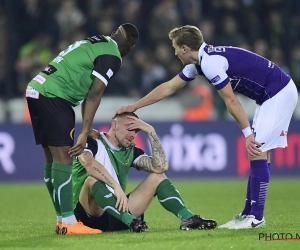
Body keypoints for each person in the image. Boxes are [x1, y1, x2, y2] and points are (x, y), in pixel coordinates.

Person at [115, 25, 298, 229]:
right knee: (260, 154)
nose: (174, 52)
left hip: (278, 93)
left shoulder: (210, 63)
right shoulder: (200, 63)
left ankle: (256, 217)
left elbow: (231, 101)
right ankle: (248, 213)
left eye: (175, 47)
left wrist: (247, 134)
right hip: (269, 95)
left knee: (257, 151)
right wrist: (135, 105)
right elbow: (168, 87)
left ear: (185, 48)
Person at [25, 23, 139, 235]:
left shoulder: (96, 42)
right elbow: (95, 93)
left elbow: (88, 92)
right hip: (55, 96)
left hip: (37, 89)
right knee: (65, 159)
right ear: (130, 45)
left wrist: (88, 127)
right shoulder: (113, 54)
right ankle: (69, 222)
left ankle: (62, 221)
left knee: (52, 159)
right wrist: (84, 132)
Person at [71, 112, 217, 233]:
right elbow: (89, 164)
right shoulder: (92, 141)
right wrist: (115, 186)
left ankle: (188, 218)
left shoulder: (130, 151)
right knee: (91, 180)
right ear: (114, 124)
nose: (133, 135)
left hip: (118, 214)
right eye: (129, 128)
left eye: (136, 130)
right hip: (88, 216)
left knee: (157, 177)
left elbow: (161, 166)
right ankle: (130, 221)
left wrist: (150, 131)